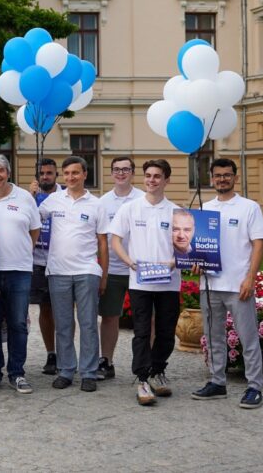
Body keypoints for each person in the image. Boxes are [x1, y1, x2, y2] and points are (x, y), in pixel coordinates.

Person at [192, 158, 263, 409]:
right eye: (217, 175)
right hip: (210, 283)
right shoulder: (205, 208)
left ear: (235, 177)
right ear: (211, 178)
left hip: (238, 285)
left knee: (248, 337)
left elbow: (259, 243)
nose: (222, 179)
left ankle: (254, 387)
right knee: (213, 337)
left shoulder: (248, 207)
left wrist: (250, 277)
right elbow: (198, 246)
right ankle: (217, 382)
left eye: (227, 175)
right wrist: (195, 261)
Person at [107, 159, 181, 406]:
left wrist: (173, 261)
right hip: (141, 281)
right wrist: (129, 261)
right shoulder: (130, 208)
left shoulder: (177, 211)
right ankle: (141, 378)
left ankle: (158, 371)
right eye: (148, 176)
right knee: (141, 332)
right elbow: (115, 239)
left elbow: (185, 245)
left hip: (169, 282)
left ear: (166, 180)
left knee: (165, 331)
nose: (151, 180)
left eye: (157, 176)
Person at [38, 156, 109, 393]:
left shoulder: (97, 204)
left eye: (75, 173)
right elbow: (32, 220)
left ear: (85, 174)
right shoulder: (52, 201)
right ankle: (66, 370)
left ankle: (88, 372)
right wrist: (29, 195)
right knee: (64, 325)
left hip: (87, 270)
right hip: (57, 270)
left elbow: (103, 242)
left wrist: (104, 274)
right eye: (66, 173)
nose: (71, 177)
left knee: (88, 323)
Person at [0, 154, 41, 395]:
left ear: (8, 172)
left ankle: (17, 372)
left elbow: (34, 232)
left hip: (19, 270)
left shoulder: (25, 198)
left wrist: (22, 251)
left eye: (0, 171)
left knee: (17, 323)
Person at [96, 157, 143, 381]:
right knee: (109, 316)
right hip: (113, 268)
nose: (121, 173)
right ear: (111, 173)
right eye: (117, 169)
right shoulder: (103, 202)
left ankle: (148, 362)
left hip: (140, 269)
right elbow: (100, 239)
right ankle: (106, 360)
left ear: (133, 173)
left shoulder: (143, 198)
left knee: (146, 318)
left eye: (125, 169)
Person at [29, 157, 61, 376]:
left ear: (56, 174)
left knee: (65, 311)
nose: (46, 177)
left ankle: (66, 353)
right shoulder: (29, 197)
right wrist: (31, 198)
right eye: (42, 173)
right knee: (45, 309)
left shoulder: (65, 196)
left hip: (61, 261)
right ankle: (51, 353)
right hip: (37, 261)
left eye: (49, 173)